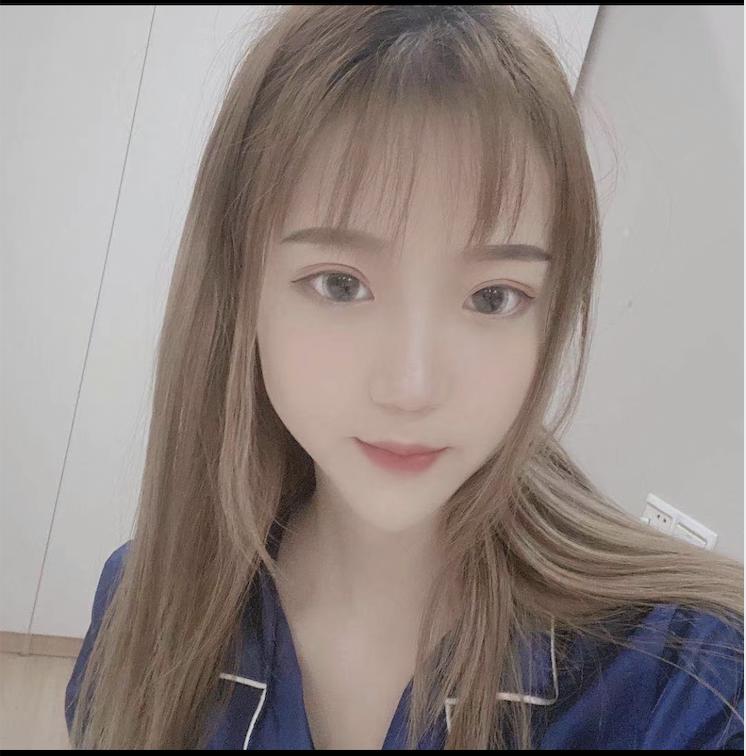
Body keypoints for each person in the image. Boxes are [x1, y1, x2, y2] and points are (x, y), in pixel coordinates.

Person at [65, 6, 743, 750]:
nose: (413, 387)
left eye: (493, 297)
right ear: (239, 291)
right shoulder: (145, 606)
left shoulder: (692, 681)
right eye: (341, 284)